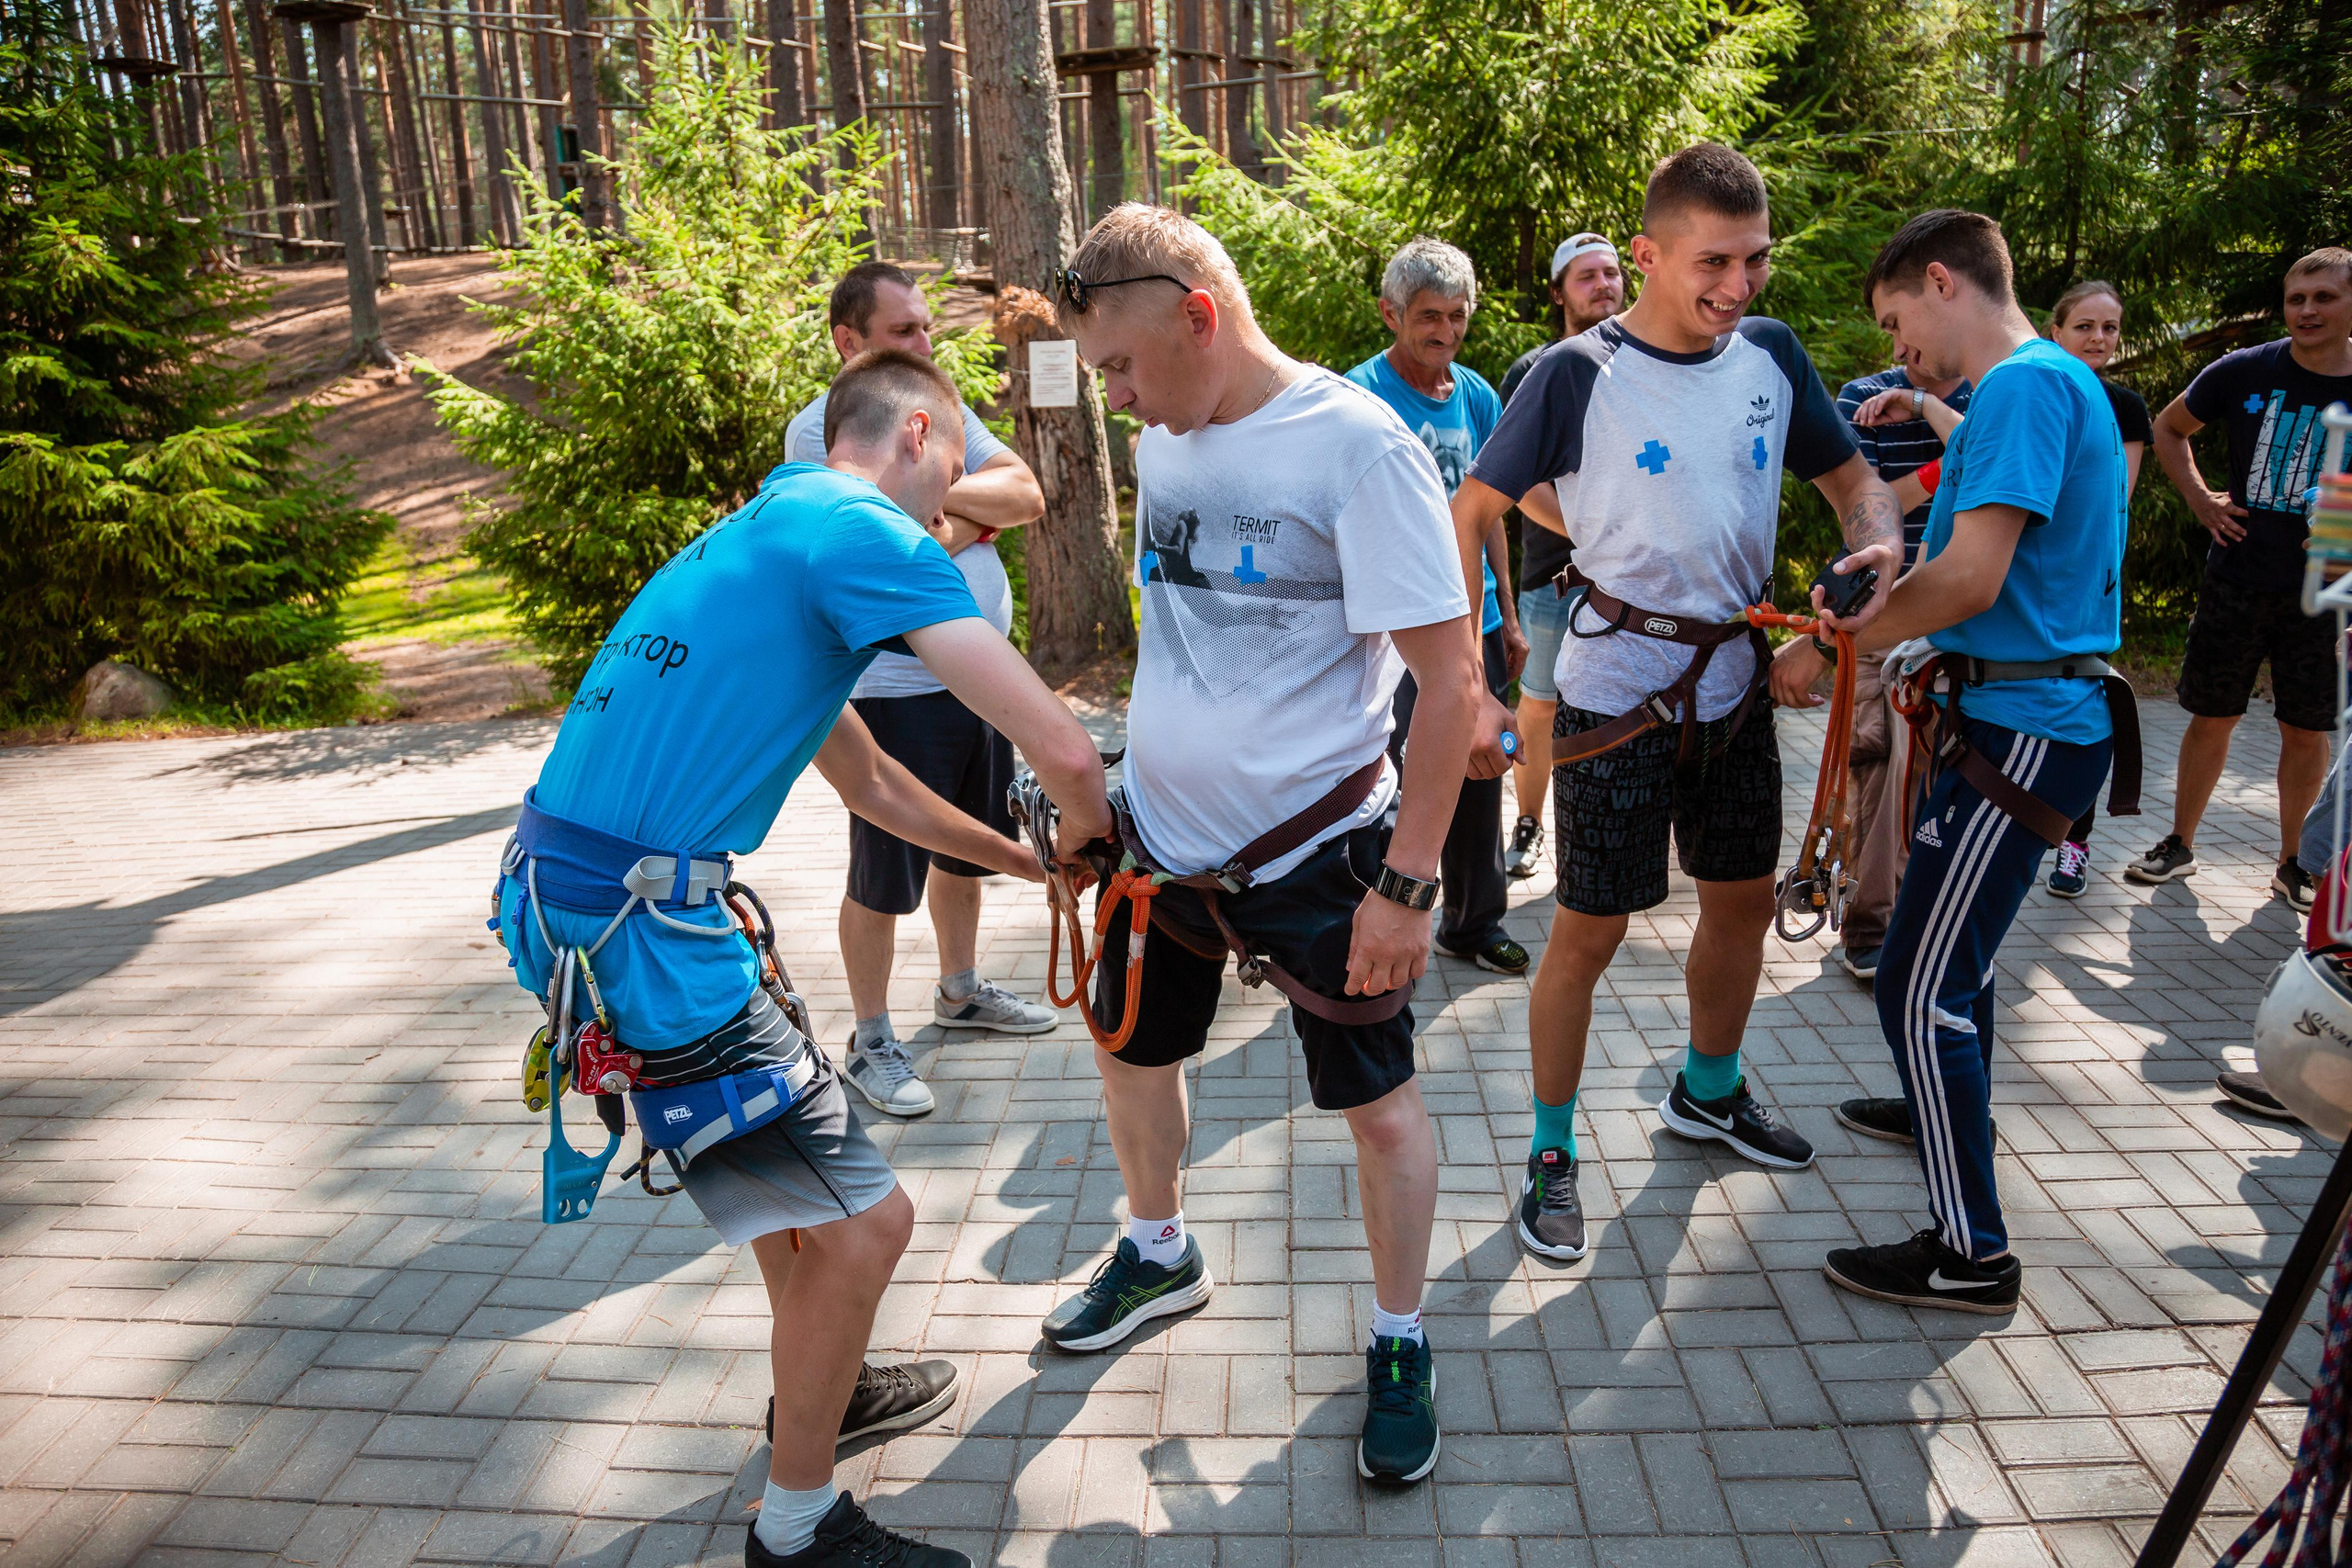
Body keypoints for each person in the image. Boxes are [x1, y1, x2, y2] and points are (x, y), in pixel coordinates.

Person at [494, 350, 1114, 1568]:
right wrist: (1089, 828)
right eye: (960, 471)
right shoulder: (866, 529)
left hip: (562, 902)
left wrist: (1023, 860)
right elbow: (1061, 744)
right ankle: (798, 1526)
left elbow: (878, 784)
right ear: (920, 430)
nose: (960, 505)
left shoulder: (768, 531)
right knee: (871, 1223)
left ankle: (828, 1384)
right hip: (647, 936)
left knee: (797, 1199)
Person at [1045, 203, 1486, 1488]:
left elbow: (1449, 685)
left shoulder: (1358, 450)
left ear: (1200, 314)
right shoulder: (1173, 439)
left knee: (1381, 1110)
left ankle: (1401, 1337)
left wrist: (1407, 887)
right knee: (1133, 1050)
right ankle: (1159, 1246)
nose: (1117, 400)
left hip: (1323, 857)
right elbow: (1177, 632)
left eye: (1123, 366)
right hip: (1158, 843)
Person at [1446, 144, 1903, 1263]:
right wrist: (1472, 679)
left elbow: (1853, 484)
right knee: (1587, 932)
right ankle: (1551, 1151)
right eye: (1712, 262)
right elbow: (1470, 512)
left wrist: (1878, 545)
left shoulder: (1770, 356)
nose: (1737, 287)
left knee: (1742, 903)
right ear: (1646, 253)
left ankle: (1708, 1090)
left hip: (1738, 685)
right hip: (1613, 693)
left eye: (1754, 261)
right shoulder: (1572, 372)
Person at [1769, 209, 2129, 1313]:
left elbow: (1971, 579)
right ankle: (1936, 1101)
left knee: (1917, 991)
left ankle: (1971, 1254)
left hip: (2025, 729)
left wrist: (1836, 641)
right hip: (2020, 721)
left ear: (1940, 282)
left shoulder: (2023, 387)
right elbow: (1968, 568)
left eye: (1895, 320)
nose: (1897, 348)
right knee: (1943, 971)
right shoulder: (2029, 391)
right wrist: (1888, 601)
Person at [785, 262, 1059, 1121]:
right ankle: (869, 1038)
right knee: (882, 872)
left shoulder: (945, 410)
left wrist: (944, 506)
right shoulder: (816, 431)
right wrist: (964, 518)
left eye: (927, 326)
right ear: (848, 341)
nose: (925, 343)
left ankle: (961, 989)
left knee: (967, 848)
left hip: (973, 682)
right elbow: (881, 539)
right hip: (890, 692)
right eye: (905, 331)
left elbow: (1027, 494)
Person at [2126, 248, 2352, 911]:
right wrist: (2203, 501)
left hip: (2324, 590)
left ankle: (2294, 863)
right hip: (2238, 578)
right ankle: (2179, 843)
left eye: (2324, 297)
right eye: (2297, 298)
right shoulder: (2246, 368)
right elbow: (2169, 428)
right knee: (2210, 715)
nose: (2307, 310)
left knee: (2306, 729)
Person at [1344, 237, 1529, 976]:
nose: (1445, 333)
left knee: (1479, 771)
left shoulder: (1479, 396)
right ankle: (1366, 914)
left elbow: (1490, 516)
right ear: (1392, 313)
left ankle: (1473, 922)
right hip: (1395, 629)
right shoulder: (1359, 396)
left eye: (1457, 317)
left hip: (1473, 625)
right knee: (1380, 776)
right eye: (1428, 317)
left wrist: (1509, 616)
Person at [1829, 341, 1973, 982]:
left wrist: (1920, 406)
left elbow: (1984, 454)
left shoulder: (1992, 391)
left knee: (1943, 778)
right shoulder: (1861, 398)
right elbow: (1870, 506)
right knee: (1876, 767)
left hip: (1963, 620)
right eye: (1890, 325)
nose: (1905, 339)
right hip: (1882, 614)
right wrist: (1949, 466)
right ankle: (1867, 927)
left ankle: (1927, 929)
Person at [1500, 233, 1628, 879]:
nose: (1604, 284)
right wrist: (1597, 534)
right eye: (1587, 276)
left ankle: (1615, 836)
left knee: (1633, 710)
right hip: (1553, 579)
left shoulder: (1653, 363)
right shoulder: (1534, 371)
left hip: (1636, 582)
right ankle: (1528, 824)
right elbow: (1516, 483)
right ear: (1558, 293)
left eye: (1611, 272)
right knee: (1541, 705)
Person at [2038, 280, 2152, 897]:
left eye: (2109, 327)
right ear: (2056, 330)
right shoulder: (2033, 391)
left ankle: (2073, 844)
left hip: (2089, 581)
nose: (2098, 338)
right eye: (2085, 325)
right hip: (2027, 579)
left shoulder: (2126, 407)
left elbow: (2113, 501)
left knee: (2085, 710)